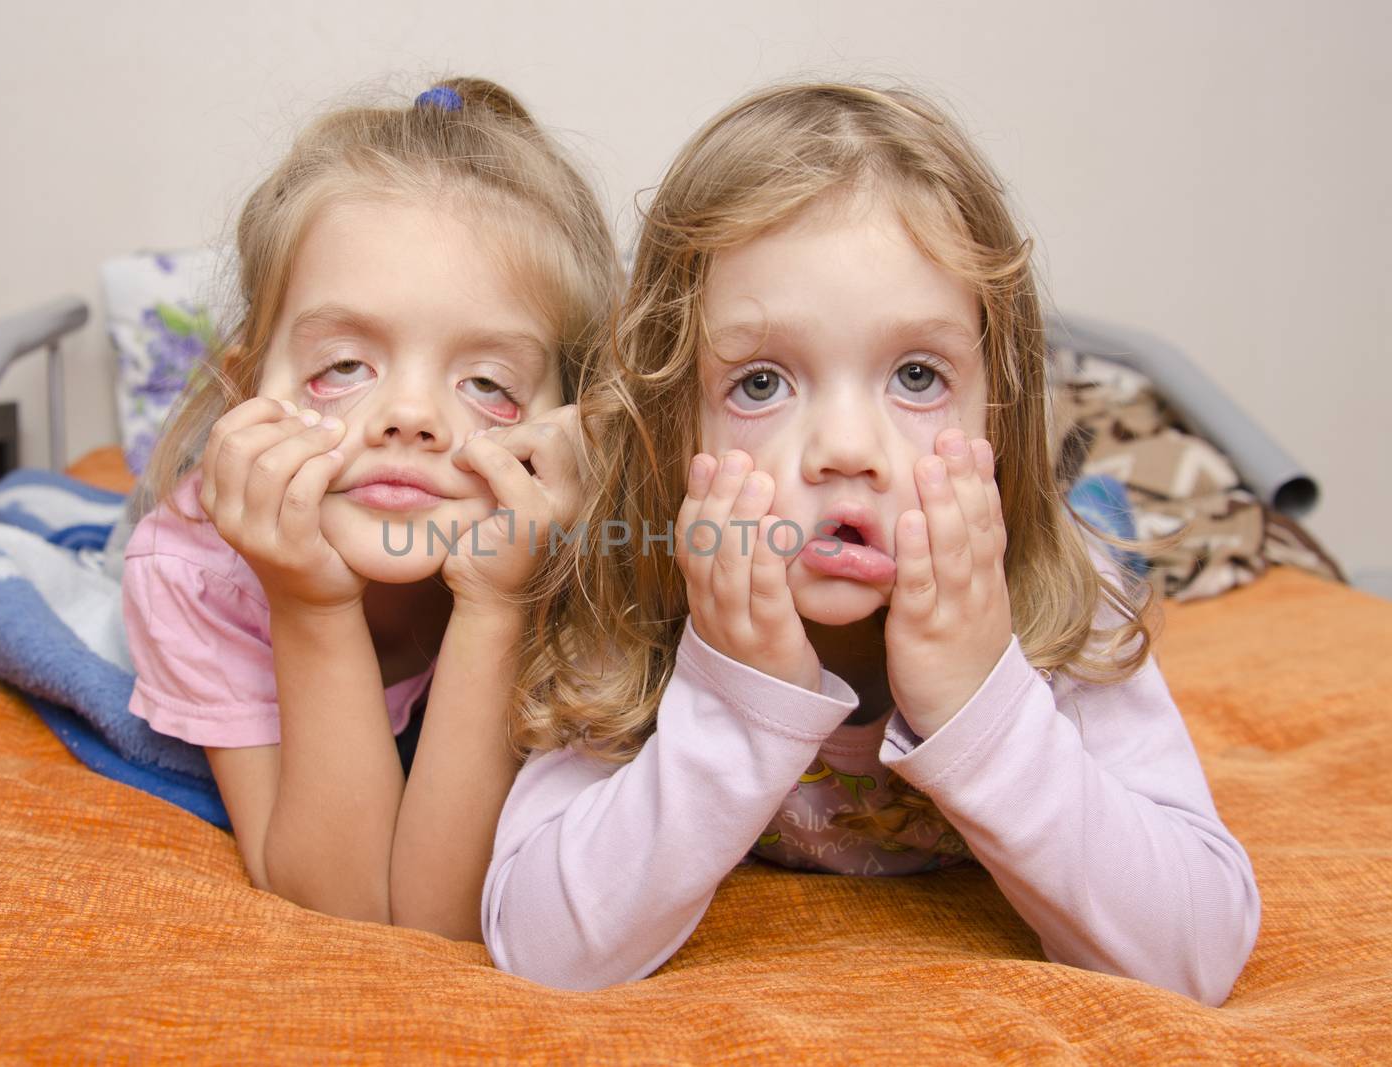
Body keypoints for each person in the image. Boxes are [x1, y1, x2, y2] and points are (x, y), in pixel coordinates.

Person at [484, 82, 1260, 1003]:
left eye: (919, 374)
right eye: (763, 383)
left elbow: (1198, 955)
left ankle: (1095, 488)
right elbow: (537, 947)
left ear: (1000, 416)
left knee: (1102, 524)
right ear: (671, 427)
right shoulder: (635, 586)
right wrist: (739, 697)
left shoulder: (1066, 597)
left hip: (1060, 547)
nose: (848, 449)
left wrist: (984, 702)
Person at [121, 77, 619, 940]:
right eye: (343, 366)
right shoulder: (194, 574)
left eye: (488, 384)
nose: (410, 416)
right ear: (244, 392)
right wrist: (306, 601)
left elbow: (444, 922)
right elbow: (344, 908)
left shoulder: (577, 553)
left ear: (569, 427)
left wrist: (499, 603)